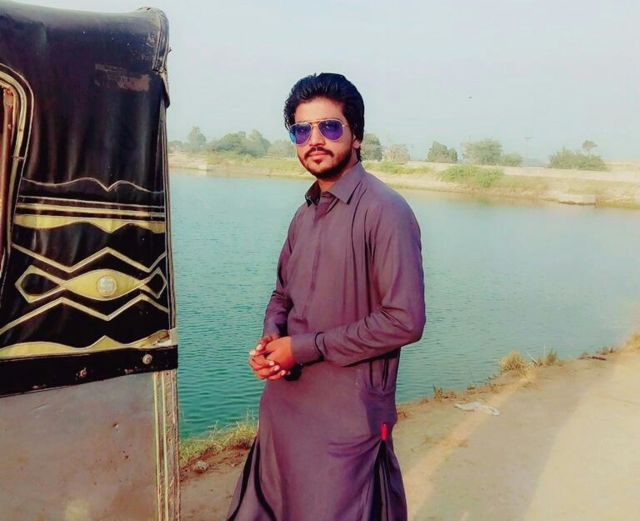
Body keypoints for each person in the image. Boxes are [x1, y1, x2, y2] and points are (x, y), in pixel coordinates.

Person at [227, 72, 426, 521]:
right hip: (284, 407)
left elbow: (404, 320)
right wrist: (271, 340)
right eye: (302, 130)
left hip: (346, 420)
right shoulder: (305, 214)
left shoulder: (385, 212)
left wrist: (302, 348)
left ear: (356, 136)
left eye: (329, 127)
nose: (314, 140)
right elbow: (282, 294)